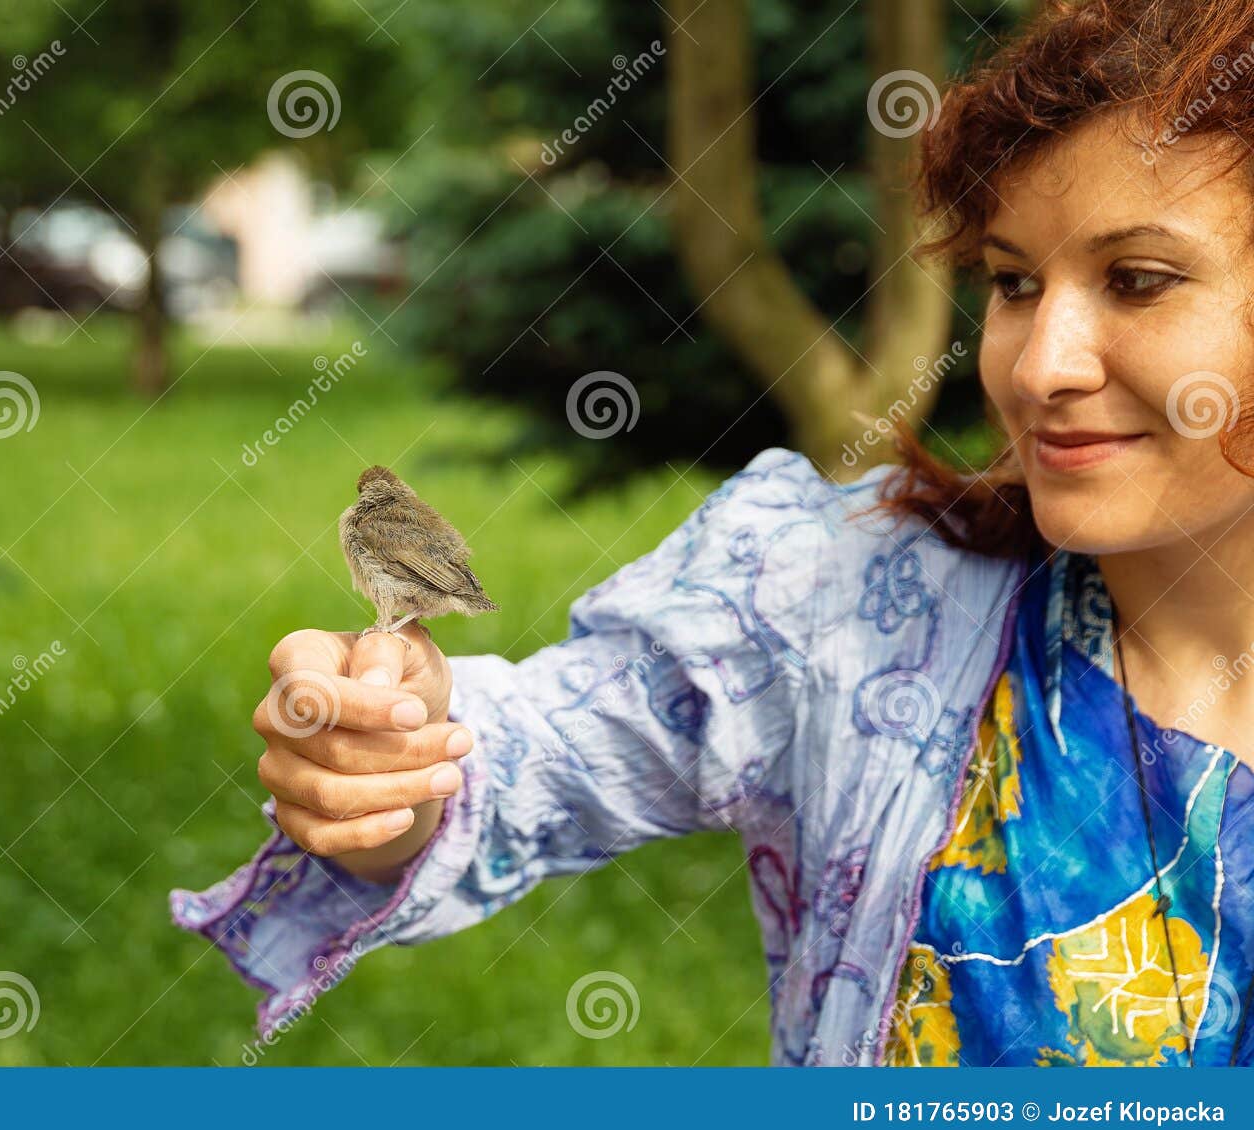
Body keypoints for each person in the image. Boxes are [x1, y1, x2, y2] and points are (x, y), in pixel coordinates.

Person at [173, 0, 1254, 1065]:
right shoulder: (858, 596)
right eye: (1014, 281)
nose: (1037, 364)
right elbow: (531, 755)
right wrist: (392, 749)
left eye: (1138, 281)